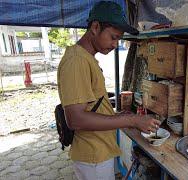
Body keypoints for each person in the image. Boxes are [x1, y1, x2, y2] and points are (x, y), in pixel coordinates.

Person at [57, 1, 161, 179]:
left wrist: (118, 117)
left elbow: (91, 105)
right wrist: (132, 120)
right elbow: (75, 119)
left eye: (118, 39)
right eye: (113, 37)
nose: (115, 44)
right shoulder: (77, 61)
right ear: (95, 27)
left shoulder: (86, 58)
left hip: (99, 150)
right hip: (93, 156)